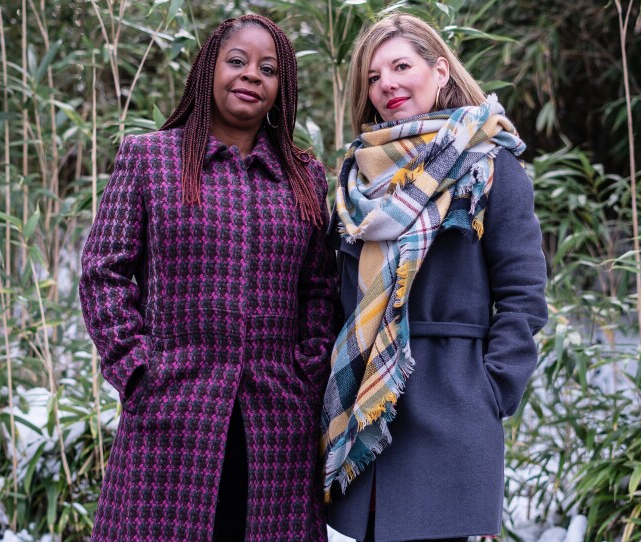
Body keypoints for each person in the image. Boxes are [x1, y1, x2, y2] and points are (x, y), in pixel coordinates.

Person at [80, 14, 338, 542]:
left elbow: (320, 288)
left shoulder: (303, 176)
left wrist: (308, 375)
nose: (251, 76)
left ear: (281, 87)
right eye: (237, 61)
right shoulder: (150, 158)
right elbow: (103, 270)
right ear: (209, 69)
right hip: (170, 411)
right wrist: (136, 369)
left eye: (268, 69)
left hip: (275, 422)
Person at [321, 13, 548, 542]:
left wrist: (490, 389)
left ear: (440, 69)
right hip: (366, 407)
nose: (386, 85)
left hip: (454, 406)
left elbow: (524, 295)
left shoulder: (490, 166)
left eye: (401, 66)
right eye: (373, 77)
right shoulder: (359, 176)